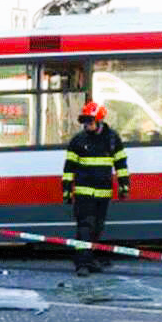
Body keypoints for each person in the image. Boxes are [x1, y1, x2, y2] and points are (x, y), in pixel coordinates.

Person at [61, 101, 130, 277]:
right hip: (84, 192)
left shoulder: (113, 139)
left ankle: (89, 259)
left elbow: (121, 164)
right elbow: (69, 167)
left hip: (103, 192)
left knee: (97, 228)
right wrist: (67, 190)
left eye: (90, 121)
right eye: (85, 122)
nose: (87, 125)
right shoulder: (78, 141)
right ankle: (82, 263)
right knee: (85, 226)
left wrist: (124, 185)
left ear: (99, 121)